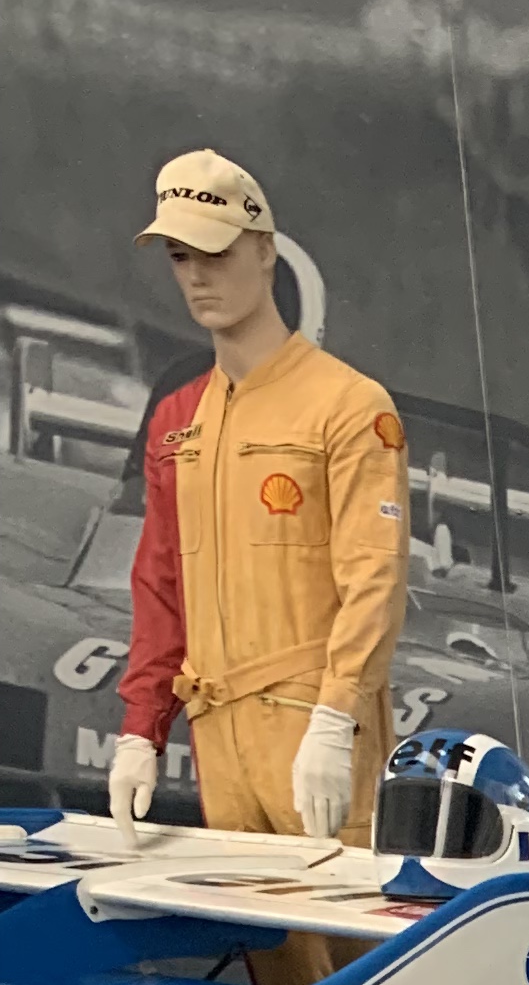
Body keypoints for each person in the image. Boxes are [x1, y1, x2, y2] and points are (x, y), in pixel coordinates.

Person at [109, 149, 407, 846]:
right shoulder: (177, 419)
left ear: (266, 250)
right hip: (218, 734)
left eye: (215, 252)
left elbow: (375, 578)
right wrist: (140, 730)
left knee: (345, 916)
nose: (197, 276)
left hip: (320, 730)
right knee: (252, 918)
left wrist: (335, 716)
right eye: (180, 257)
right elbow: (160, 586)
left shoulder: (349, 404)